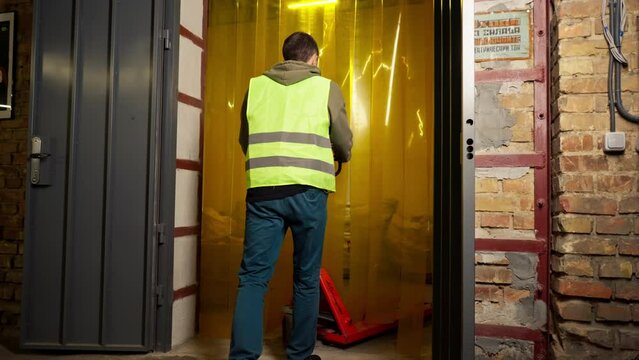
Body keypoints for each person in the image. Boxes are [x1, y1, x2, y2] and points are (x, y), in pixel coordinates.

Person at [229, 32, 353, 360]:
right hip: (308, 193)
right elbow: (342, 143)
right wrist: (341, 153)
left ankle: (242, 356)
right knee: (306, 276)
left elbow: (246, 139)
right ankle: (299, 355)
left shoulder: (255, 86)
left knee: (253, 278)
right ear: (313, 58)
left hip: (263, 192)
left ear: (285, 56)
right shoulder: (326, 87)